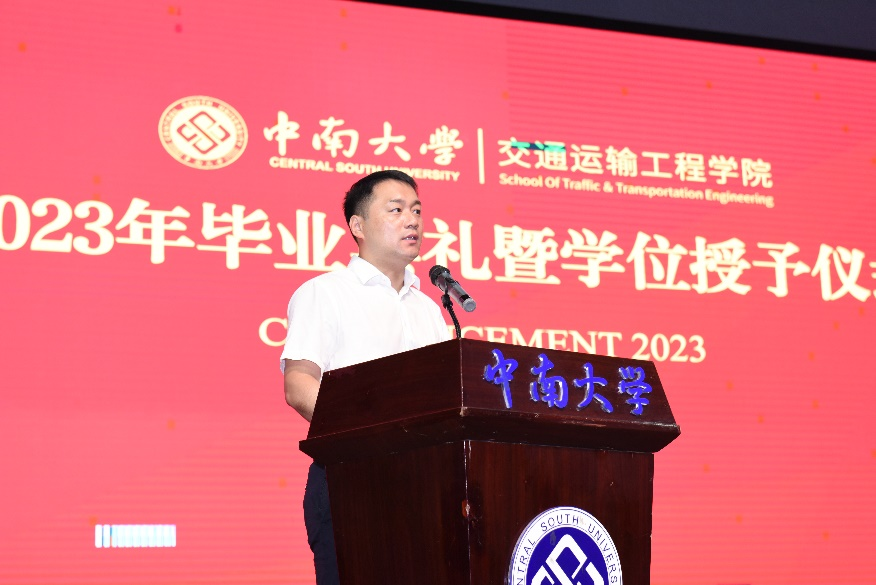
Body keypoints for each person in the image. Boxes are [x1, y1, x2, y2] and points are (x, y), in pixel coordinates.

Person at [280, 170, 451, 585]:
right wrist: (371, 437)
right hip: (351, 478)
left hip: (425, 482)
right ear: (358, 225)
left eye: (417, 211)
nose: (412, 220)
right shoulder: (326, 292)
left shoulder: (429, 308)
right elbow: (299, 384)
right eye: (396, 210)